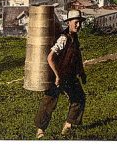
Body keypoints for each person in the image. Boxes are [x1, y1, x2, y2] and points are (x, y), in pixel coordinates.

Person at [35, 9, 87, 139]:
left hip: (70, 77)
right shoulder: (63, 38)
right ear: (69, 22)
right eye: (76, 22)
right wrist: (57, 76)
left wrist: (82, 72)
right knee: (49, 102)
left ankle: (68, 126)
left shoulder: (75, 38)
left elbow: (77, 56)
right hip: (58, 77)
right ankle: (40, 131)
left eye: (80, 22)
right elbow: (50, 57)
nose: (78, 25)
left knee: (79, 98)